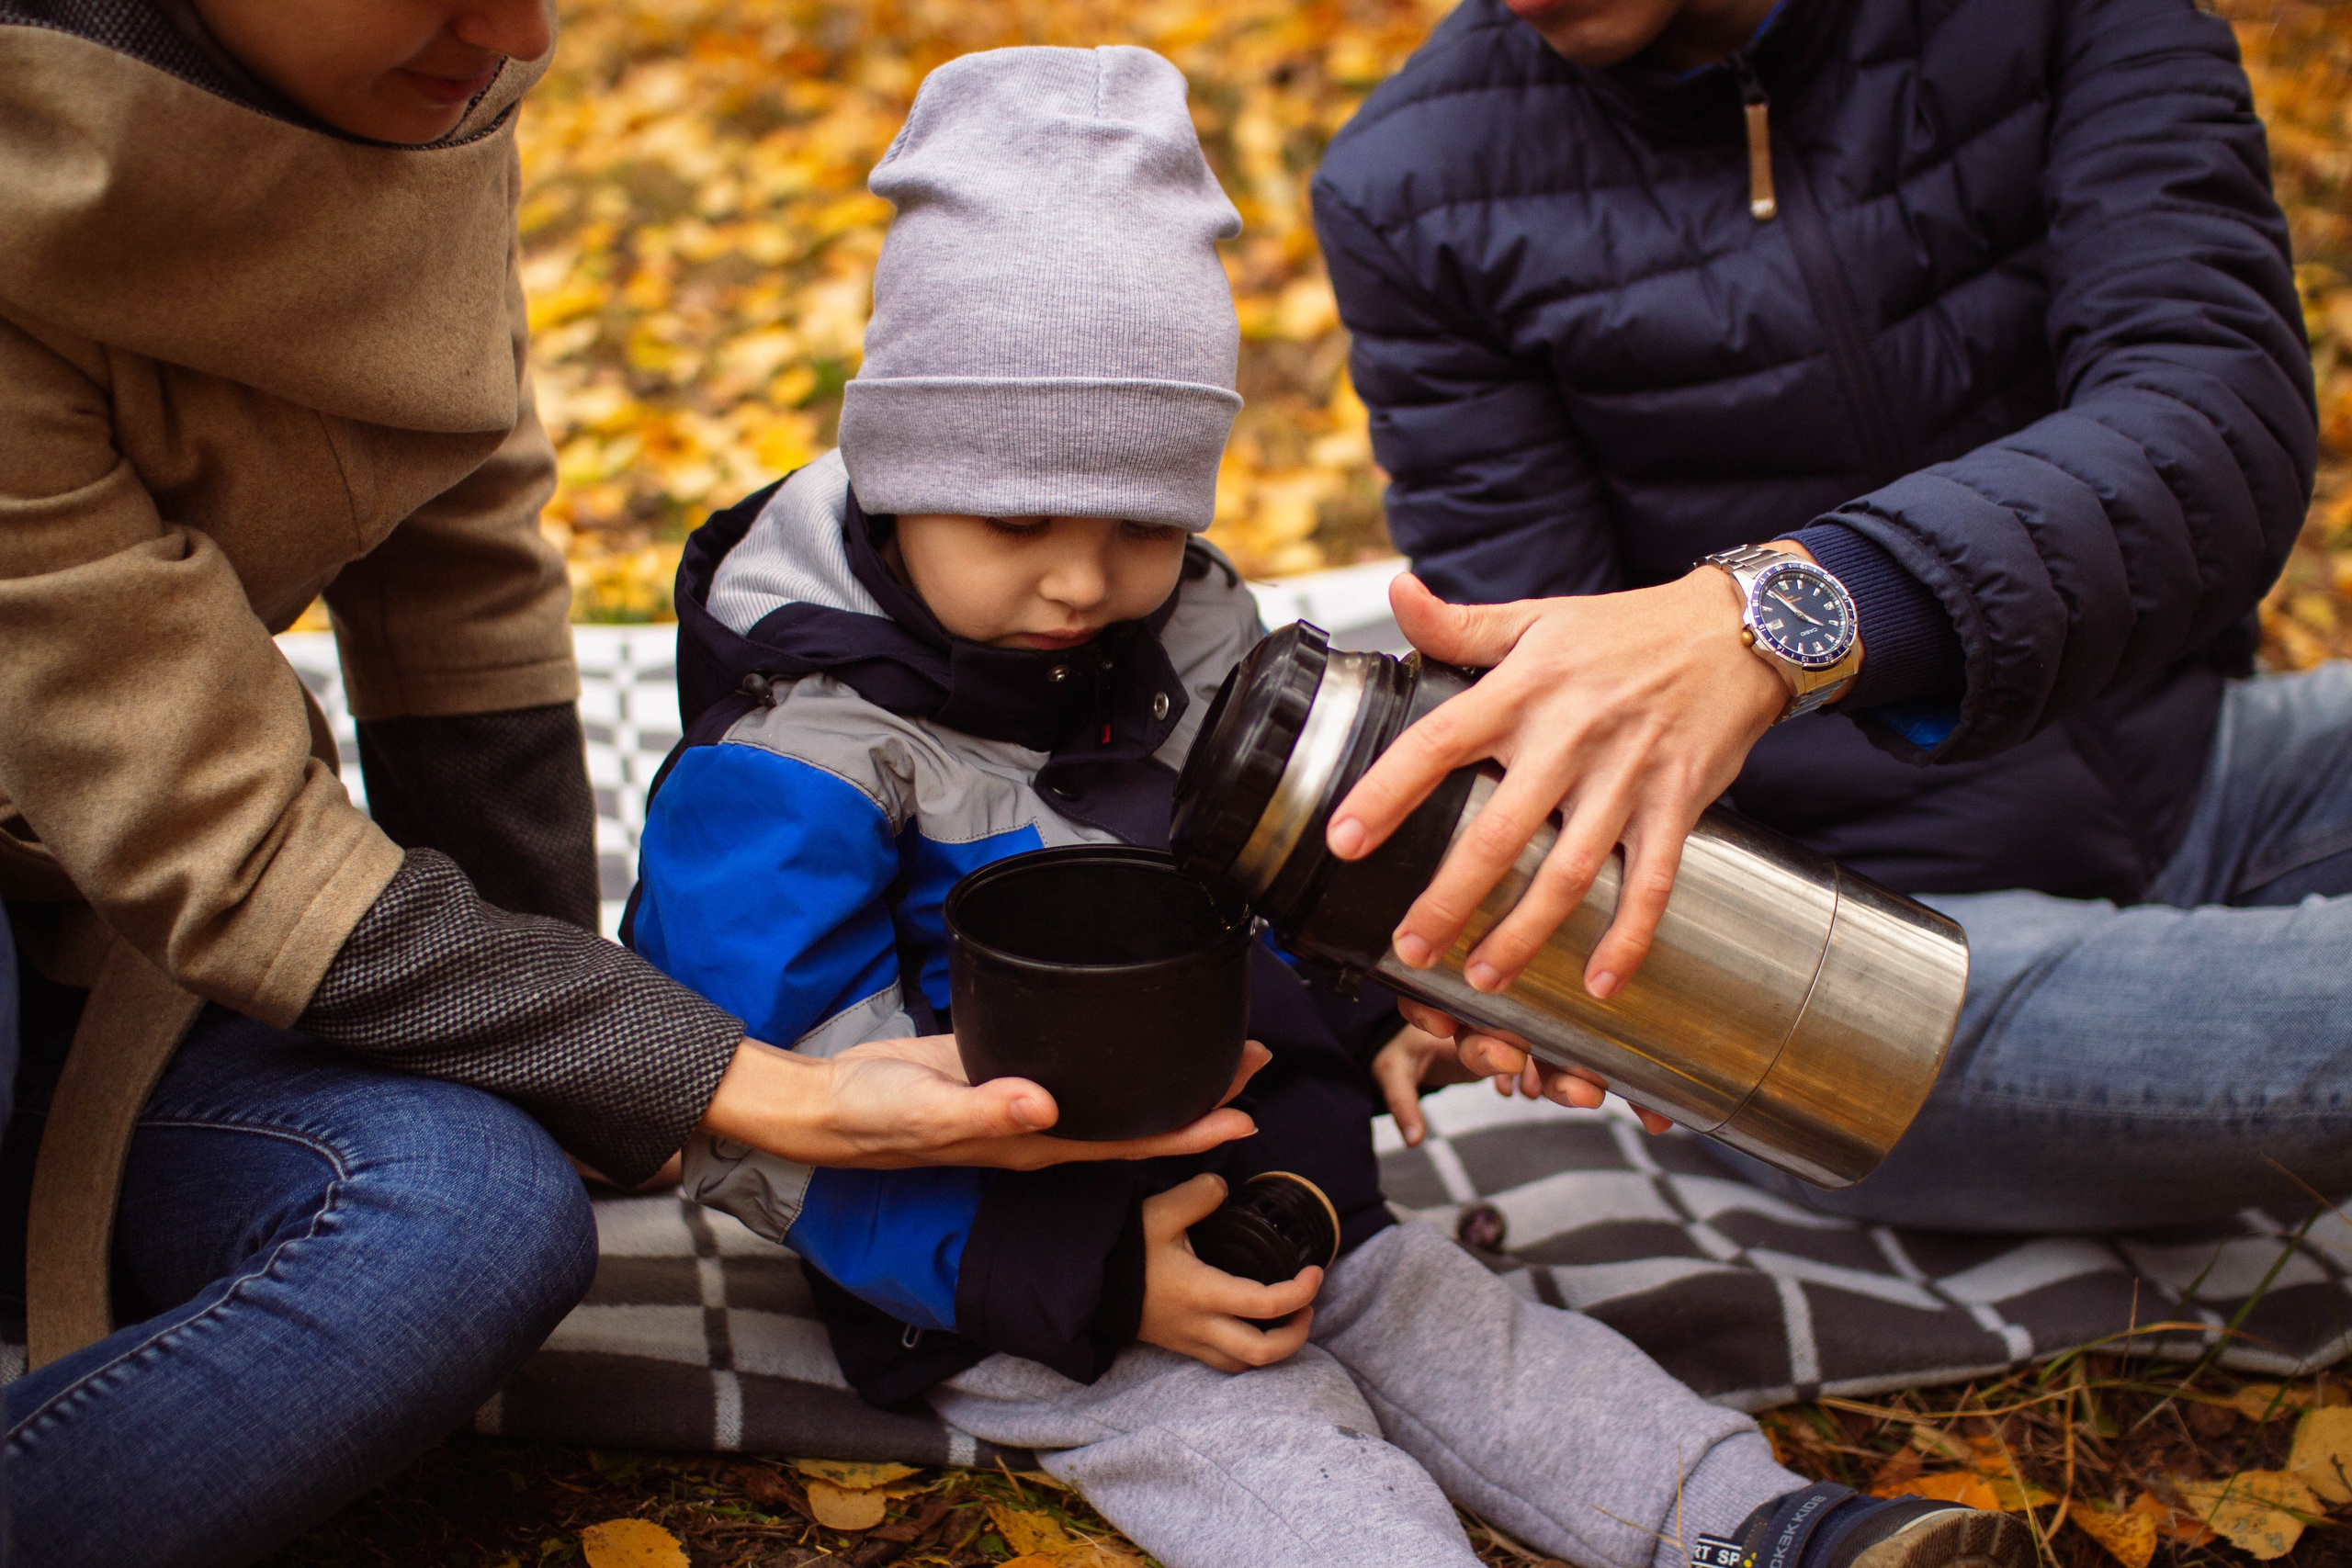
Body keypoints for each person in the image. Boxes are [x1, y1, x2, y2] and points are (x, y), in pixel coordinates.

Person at [630, 45, 2035, 1568]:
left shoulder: (1195, 644)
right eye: (1018, 520)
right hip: (1003, 1257)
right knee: (1258, 1446)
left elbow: (1300, 884)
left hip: (1283, 1181)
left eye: (1142, 526)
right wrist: (1092, 1271)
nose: (1082, 580)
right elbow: (774, 1115)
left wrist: (1375, 1010)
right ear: (895, 476)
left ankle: (1761, 1525)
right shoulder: (794, 762)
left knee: (1468, 1332)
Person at [0, 6, 1253, 1563]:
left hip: (113, 957)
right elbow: (215, 833)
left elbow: (460, 580)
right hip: (127, 872)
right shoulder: (798, 766)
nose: (520, 32)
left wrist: (571, 1074)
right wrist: (745, 1086)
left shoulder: (424, 83)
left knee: (477, 1225)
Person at [1309, 0, 2347, 1229]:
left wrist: (1782, 613)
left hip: (2205, 771)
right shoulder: (1411, 187)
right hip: (1837, 956)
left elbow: (2211, 421)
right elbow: (1552, 705)